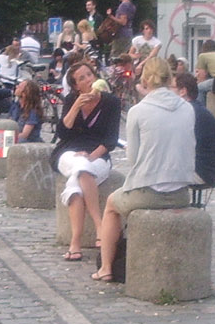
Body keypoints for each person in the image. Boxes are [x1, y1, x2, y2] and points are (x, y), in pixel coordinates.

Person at [91, 57, 195, 282]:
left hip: (150, 190)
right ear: (170, 78)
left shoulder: (139, 111)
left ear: (145, 80)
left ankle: (106, 267)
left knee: (111, 205)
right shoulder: (187, 108)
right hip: (180, 191)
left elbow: (133, 158)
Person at [51, 60, 121, 263]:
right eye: (82, 79)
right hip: (68, 153)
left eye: (89, 75)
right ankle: (100, 226)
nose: (88, 80)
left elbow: (110, 140)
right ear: (75, 86)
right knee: (80, 167)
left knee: (76, 181)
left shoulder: (111, 102)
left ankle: (75, 243)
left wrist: (91, 157)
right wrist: (75, 107)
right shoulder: (72, 99)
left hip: (97, 155)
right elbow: (62, 133)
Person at [175, 72, 215, 190]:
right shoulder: (196, 109)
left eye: (170, 88)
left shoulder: (189, 112)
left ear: (182, 91)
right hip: (209, 170)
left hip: (202, 172)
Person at [10, 79, 44, 143]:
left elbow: (24, 135)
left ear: (25, 93)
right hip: (15, 137)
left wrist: (8, 136)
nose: (16, 87)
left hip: (28, 142)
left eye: (19, 87)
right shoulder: (16, 106)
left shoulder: (33, 111)